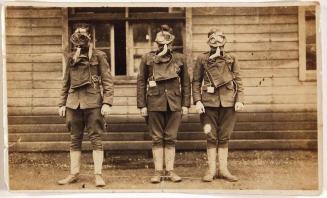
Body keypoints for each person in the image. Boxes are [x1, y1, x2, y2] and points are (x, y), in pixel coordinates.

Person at [57, 23, 114, 187]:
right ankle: (74, 173)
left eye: (83, 35)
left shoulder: (99, 56)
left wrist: (107, 102)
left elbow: (107, 81)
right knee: (74, 139)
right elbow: (65, 82)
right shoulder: (70, 57)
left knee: (95, 138)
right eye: (77, 34)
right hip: (73, 103)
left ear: (90, 36)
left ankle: (98, 174)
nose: (80, 39)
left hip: (93, 103)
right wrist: (62, 103)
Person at [137, 24, 191, 183]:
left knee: (171, 138)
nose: (163, 45)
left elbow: (186, 82)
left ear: (172, 41)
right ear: (156, 42)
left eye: (167, 41)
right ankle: (158, 172)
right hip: (154, 102)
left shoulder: (180, 58)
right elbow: (141, 82)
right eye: (160, 42)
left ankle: (170, 171)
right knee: (157, 138)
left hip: (174, 102)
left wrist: (186, 104)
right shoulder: (147, 58)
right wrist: (142, 105)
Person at [192, 29, 244, 182]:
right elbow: (196, 81)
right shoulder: (202, 58)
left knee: (224, 137)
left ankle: (223, 170)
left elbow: (238, 80)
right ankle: (211, 170)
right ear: (208, 41)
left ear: (224, 41)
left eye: (219, 40)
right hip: (208, 103)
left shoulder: (231, 58)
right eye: (213, 40)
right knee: (211, 136)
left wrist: (239, 99)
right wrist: (197, 101)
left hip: (228, 102)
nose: (216, 43)